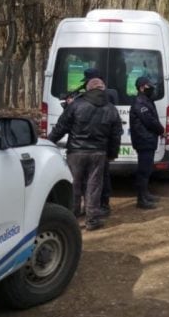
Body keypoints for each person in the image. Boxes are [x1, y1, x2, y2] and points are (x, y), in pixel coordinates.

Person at [48, 77, 122, 231]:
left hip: (76, 152)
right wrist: (112, 154)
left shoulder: (76, 105)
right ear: (103, 89)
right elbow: (116, 136)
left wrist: (48, 142)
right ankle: (92, 219)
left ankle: (72, 216)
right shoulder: (111, 108)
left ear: (88, 89)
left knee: (74, 184)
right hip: (99, 153)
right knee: (94, 186)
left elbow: (61, 126)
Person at [129, 76, 165, 210]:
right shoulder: (140, 102)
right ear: (142, 87)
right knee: (143, 171)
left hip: (148, 140)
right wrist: (162, 130)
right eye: (149, 86)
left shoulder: (146, 100)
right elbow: (149, 121)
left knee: (147, 169)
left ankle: (146, 194)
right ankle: (141, 200)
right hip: (143, 140)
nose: (152, 88)